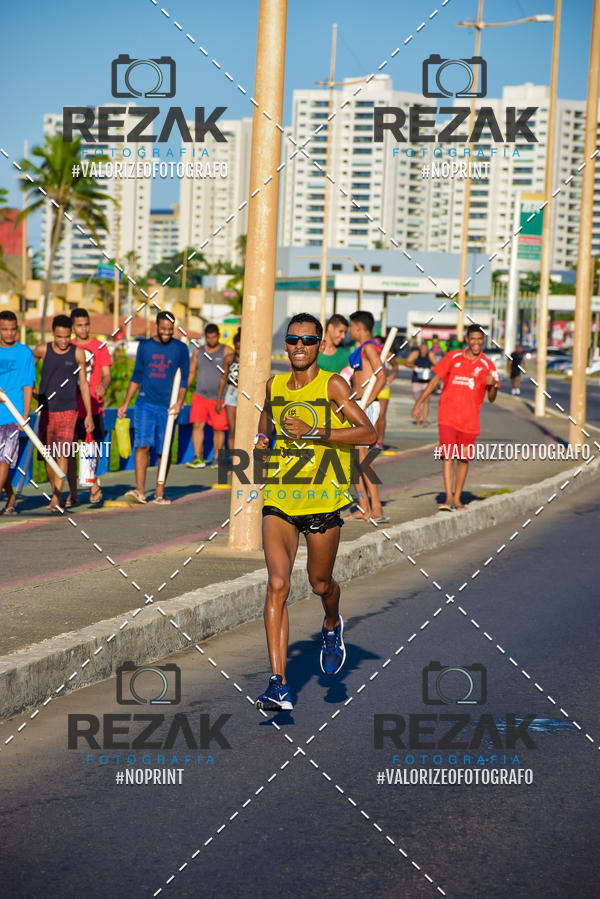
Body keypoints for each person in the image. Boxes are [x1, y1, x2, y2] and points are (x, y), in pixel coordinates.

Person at [254, 313, 377, 712]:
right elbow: (267, 416)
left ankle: (331, 623)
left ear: (320, 345)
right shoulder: (274, 385)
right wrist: (262, 438)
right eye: (294, 339)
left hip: (322, 501)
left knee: (320, 584)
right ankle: (278, 684)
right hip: (280, 496)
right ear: (286, 344)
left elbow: (368, 432)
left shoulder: (332, 384)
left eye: (308, 340)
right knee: (277, 584)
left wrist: (317, 432)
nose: (300, 346)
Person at [411, 324, 500, 512]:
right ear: (467, 339)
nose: (476, 342)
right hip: (447, 417)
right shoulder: (453, 357)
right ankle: (448, 497)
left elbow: (492, 398)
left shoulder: (488, 366)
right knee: (447, 456)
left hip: (469, 421)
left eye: (479, 339)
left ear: (483, 341)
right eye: (472, 338)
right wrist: (418, 403)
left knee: (463, 459)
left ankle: (458, 498)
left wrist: (492, 386)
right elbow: (435, 380)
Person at [117, 311, 189, 505]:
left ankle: (159, 491)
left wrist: (179, 402)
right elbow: (136, 376)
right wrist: (125, 403)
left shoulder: (181, 349)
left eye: (170, 329)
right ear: (156, 326)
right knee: (142, 445)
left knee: (164, 450)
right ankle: (140, 491)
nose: (166, 332)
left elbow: (184, 379)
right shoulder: (145, 346)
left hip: (168, 407)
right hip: (145, 403)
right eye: (163, 328)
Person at [34, 314, 93, 511]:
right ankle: (55, 492)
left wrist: (89, 414)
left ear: (71, 334)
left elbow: (83, 384)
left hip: (69, 410)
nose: (63, 341)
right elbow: (27, 371)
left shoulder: (78, 353)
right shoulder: (42, 350)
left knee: (63, 453)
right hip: (47, 411)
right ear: (53, 333)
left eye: (67, 337)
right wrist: (33, 393)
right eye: (59, 337)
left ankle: (56, 498)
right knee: (48, 456)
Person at [66, 308, 112, 505]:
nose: (83, 329)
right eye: (79, 325)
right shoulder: (67, 346)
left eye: (86, 325)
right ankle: (73, 492)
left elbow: (107, 374)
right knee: (69, 450)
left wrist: (103, 385)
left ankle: (92, 483)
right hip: (70, 406)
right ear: (72, 327)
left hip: (93, 405)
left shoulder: (99, 347)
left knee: (90, 447)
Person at [347, 311, 387, 521]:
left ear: (358, 327)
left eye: (350, 327)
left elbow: (381, 377)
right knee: (353, 459)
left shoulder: (369, 347)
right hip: (357, 405)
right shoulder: (360, 349)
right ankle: (363, 507)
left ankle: (377, 505)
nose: (349, 331)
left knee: (362, 457)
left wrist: (367, 401)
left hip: (366, 406)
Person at [0, 310, 36, 515]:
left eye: (12, 329)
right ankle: (11, 497)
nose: (9, 333)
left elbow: (28, 383)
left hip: (13, 416)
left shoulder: (24, 353)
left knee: (4, 460)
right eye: (4, 329)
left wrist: (25, 414)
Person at [186, 323, 232, 468]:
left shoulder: (227, 351)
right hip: (200, 396)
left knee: (219, 428)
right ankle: (197, 458)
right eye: (209, 337)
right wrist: (182, 393)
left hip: (219, 398)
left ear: (218, 336)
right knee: (197, 425)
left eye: (214, 337)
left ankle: (217, 458)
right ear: (205, 337)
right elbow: (191, 373)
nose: (211, 340)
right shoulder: (197, 352)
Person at [373, 333, 399, 448]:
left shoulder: (387, 355)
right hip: (372, 388)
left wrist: (392, 375)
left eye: (377, 344)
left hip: (383, 388)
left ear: (382, 345)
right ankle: (373, 440)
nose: (374, 346)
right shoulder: (370, 354)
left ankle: (380, 440)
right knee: (373, 415)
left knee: (381, 415)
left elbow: (395, 366)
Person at [215, 329, 240, 445]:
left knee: (242, 428)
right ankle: (233, 455)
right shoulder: (229, 358)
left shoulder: (249, 359)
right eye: (237, 348)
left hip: (245, 394)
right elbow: (223, 378)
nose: (239, 351)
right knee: (232, 429)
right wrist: (218, 400)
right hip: (232, 392)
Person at [405, 341, 437, 427]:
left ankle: (425, 420)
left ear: (427, 349)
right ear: (420, 348)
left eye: (425, 349)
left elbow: (437, 365)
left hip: (427, 381)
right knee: (417, 401)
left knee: (426, 401)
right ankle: (418, 421)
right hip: (416, 380)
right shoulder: (415, 353)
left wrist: (432, 370)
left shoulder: (430, 354)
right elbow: (407, 362)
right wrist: (414, 367)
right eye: (422, 348)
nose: (423, 350)